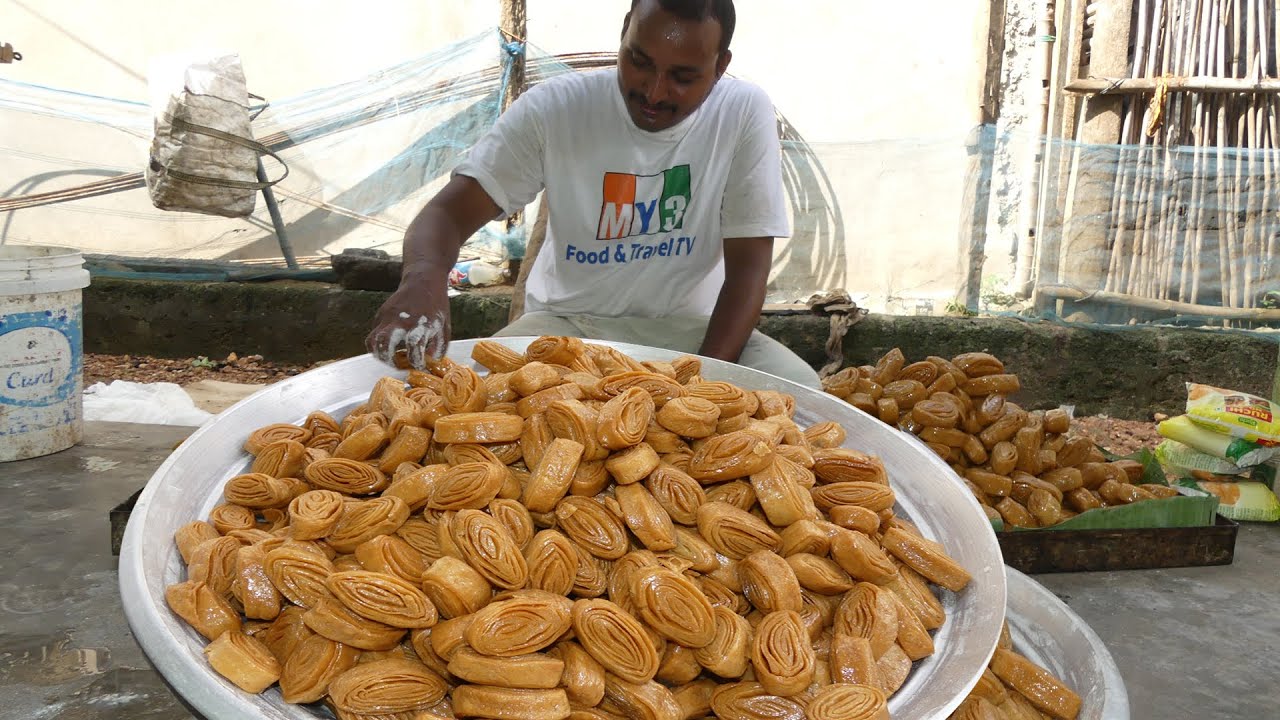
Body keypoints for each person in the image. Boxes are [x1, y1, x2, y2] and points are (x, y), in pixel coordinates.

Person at [366, 0, 820, 388]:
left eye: (683, 76)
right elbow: (448, 214)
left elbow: (748, 271)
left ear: (721, 67)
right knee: (483, 399)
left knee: (805, 394)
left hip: (691, 332)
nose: (654, 91)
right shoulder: (557, 108)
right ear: (624, 33)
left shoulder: (742, 112)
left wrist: (694, 388)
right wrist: (423, 280)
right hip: (567, 329)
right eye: (639, 61)